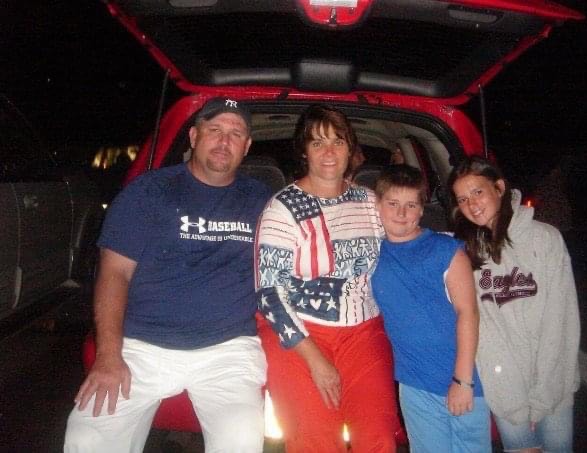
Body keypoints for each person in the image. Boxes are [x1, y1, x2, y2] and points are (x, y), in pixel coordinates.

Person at [64, 97, 272, 453]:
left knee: (242, 440)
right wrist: (109, 355)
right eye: (215, 130)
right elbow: (114, 274)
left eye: (236, 134)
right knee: (87, 437)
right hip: (141, 346)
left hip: (228, 350)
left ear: (247, 146)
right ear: (193, 136)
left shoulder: (263, 201)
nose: (224, 141)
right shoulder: (147, 193)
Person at [255, 104, 399, 452]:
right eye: (317, 143)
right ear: (304, 152)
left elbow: (404, 245)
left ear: (351, 148)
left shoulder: (368, 202)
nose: (329, 152)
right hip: (298, 334)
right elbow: (268, 294)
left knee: (378, 438)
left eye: (337, 141)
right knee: (315, 441)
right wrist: (314, 359)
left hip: (363, 332)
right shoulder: (283, 208)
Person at [448, 156, 580, 453]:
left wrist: (543, 395)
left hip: (553, 385)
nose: (472, 204)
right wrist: (511, 396)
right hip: (506, 391)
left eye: (478, 192)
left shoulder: (545, 239)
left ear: (499, 187)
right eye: (463, 199)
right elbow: (484, 328)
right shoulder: (467, 253)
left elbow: (561, 320)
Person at [371, 164, 491, 453]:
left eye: (411, 204)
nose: (401, 213)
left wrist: (462, 380)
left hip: (461, 379)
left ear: (422, 210)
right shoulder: (369, 254)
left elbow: (468, 313)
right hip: (414, 386)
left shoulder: (445, 250)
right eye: (393, 203)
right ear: (377, 206)